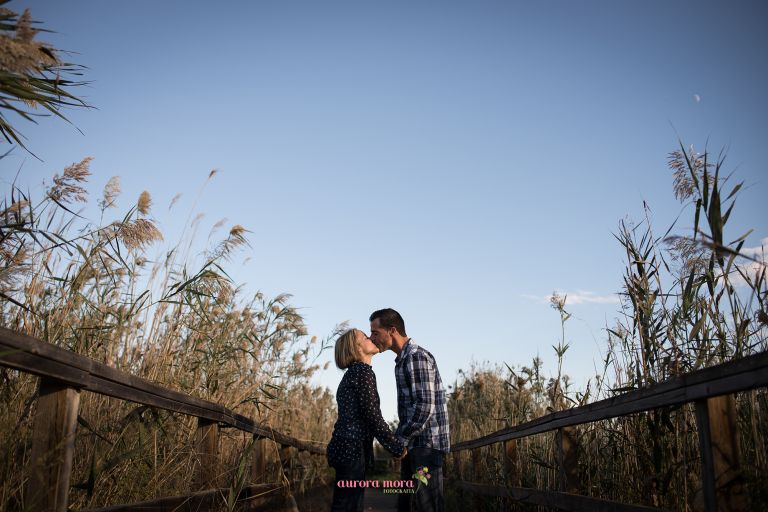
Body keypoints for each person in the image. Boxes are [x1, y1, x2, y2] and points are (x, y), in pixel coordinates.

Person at [369, 308, 450, 512]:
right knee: (408, 504)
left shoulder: (415, 357)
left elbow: (424, 406)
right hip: (415, 445)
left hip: (426, 445)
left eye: (375, 332)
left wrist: (400, 440)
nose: (372, 338)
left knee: (428, 506)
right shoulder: (403, 360)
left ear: (392, 330)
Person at [326, 328, 407, 512]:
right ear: (356, 347)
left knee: (347, 504)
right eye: (365, 336)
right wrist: (396, 447)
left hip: (345, 449)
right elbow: (373, 416)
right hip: (351, 450)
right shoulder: (362, 373)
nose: (371, 338)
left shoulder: (353, 374)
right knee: (348, 506)